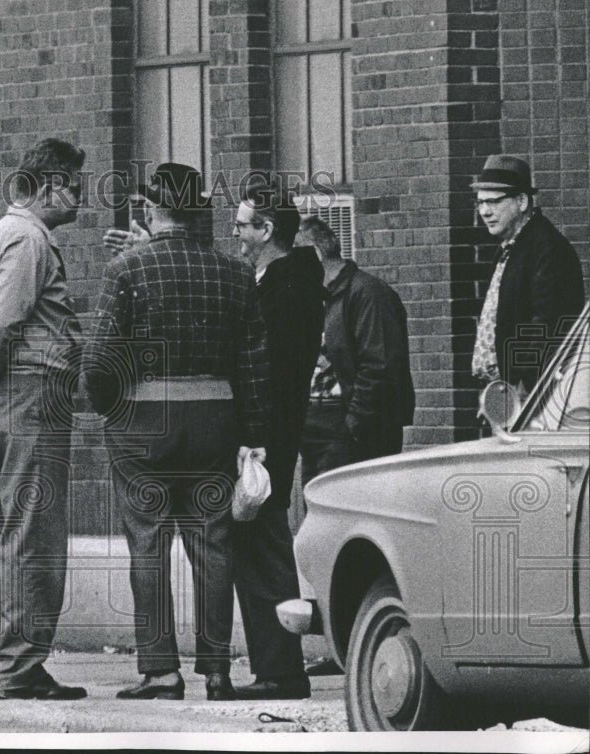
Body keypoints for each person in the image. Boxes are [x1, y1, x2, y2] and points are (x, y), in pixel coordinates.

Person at [84, 163, 268, 702]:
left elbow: (98, 361)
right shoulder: (234, 272)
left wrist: (112, 409)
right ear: (198, 213)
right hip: (215, 419)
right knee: (213, 545)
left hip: (143, 421)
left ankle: (161, 671)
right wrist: (252, 433)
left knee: (148, 544)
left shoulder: (127, 269)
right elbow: (254, 365)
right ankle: (217, 670)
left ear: (150, 208)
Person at [0, 138, 87, 701]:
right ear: (50, 185)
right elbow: (0, 325)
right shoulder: (29, 238)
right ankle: (21, 669)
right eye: (75, 186)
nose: (79, 196)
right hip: (32, 395)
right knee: (34, 533)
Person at [230, 179, 324, 701]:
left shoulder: (285, 288)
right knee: (262, 543)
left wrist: (256, 439)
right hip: (273, 434)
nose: (236, 234)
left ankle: (280, 670)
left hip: (267, 438)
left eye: (243, 226)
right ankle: (277, 665)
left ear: (267, 230)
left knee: (261, 544)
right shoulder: (286, 281)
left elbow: (274, 373)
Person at [296, 216, 414, 483]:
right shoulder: (315, 297)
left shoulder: (369, 294)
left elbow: (379, 368)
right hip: (319, 427)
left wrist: (352, 428)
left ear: (313, 255)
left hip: (350, 430)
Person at [470, 154, 585, 396]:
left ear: (521, 201)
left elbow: (547, 327)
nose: (484, 211)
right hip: (507, 391)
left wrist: (521, 387)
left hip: (531, 395)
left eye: (493, 202)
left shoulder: (548, 250)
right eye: (480, 203)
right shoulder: (511, 247)